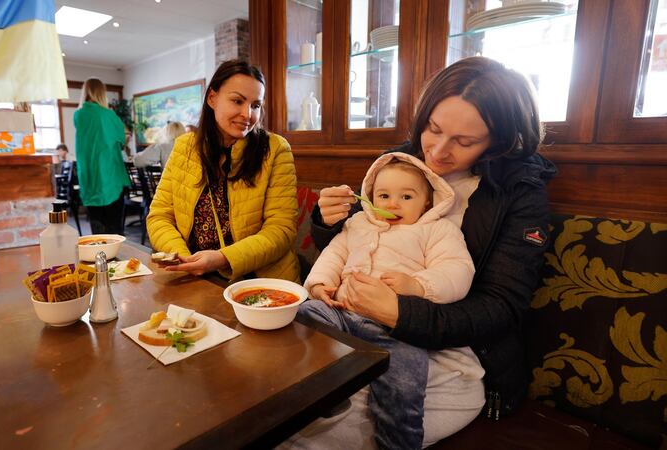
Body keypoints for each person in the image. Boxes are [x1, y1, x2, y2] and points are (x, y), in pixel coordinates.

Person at [290, 56, 557, 449]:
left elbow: (501, 306)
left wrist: (400, 309)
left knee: (303, 436)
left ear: (498, 142)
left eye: (464, 142)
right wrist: (327, 223)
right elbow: (365, 245)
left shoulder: (519, 192)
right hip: (352, 326)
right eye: (433, 129)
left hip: (447, 355)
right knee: (277, 396)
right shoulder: (401, 162)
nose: (438, 150)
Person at [301, 152, 476, 449]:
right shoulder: (357, 223)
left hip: (397, 328)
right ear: (370, 197)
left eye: (406, 197)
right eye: (383, 195)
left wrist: (418, 285)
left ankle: (398, 441)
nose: (392, 204)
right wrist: (320, 285)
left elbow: (458, 270)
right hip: (342, 312)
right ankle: (328, 396)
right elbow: (334, 254)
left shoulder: (437, 230)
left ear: (427, 202)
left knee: (405, 385)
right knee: (304, 315)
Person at [146, 59, 299, 282]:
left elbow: (281, 230)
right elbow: (159, 216)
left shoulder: (275, 149)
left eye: (255, 105)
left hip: (259, 280)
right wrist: (185, 260)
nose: (248, 114)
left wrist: (223, 258)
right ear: (212, 98)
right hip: (195, 278)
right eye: (237, 101)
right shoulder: (185, 147)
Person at [73, 78, 130, 235]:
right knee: (114, 229)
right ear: (101, 93)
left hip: (90, 178)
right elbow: (121, 141)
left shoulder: (78, 115)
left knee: (97, 227)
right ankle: (116, 258)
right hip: (111, 177)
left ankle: (98, 257)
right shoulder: (109, 116)